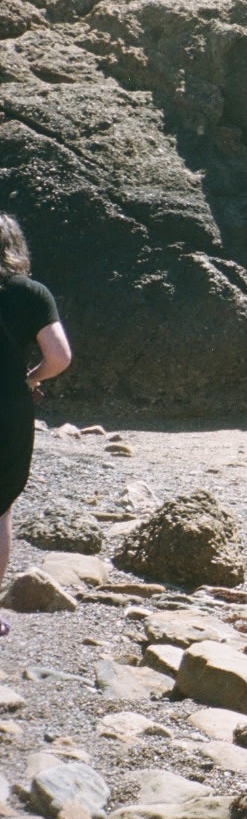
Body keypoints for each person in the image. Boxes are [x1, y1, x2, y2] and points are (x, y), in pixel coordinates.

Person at [0, 212, 71, 636]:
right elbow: (59, 357)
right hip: (7, 408)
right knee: (0, 508)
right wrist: (30, 378)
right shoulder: (31, 294)